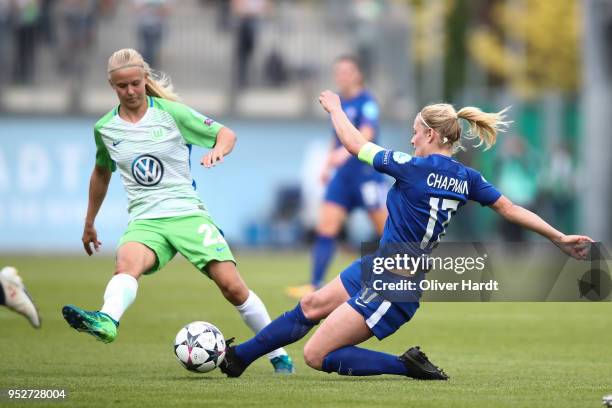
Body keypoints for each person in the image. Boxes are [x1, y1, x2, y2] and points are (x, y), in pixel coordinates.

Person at [219, 90, 593, 379]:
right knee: (312, 305)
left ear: (430, 134)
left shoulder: (412, 168)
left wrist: (335, 108)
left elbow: (353, 145)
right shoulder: (468, 177)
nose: (412, 140)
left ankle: (406, 365)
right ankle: (240, 358)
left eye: (415, 133)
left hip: (395, 282)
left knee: (317, 356)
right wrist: (558, 237)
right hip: (385, 265)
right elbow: (511, 209)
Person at [61, 48, 294, 374]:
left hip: (187, 214)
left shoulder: (172, 114)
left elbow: (227, 134)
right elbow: (101, 172)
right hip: (146, 219)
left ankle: (278, 354)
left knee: (232, 287)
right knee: (126, 264)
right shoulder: (105, 129)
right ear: (111, 86)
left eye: (135, 84)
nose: (130, 92)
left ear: (145, 80)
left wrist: (218, 150)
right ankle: (107, 320)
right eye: (122, 86)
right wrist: (89, 222)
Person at [286, 56, 387, 299]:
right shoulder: (338, 105)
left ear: (357, 74)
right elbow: (336, 135)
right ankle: (314, 283)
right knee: (326, 228)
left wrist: (344, 154)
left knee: (387, 232)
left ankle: (405, 278)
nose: (342, 76)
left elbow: (367, 132)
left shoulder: (367, 102)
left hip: (366, 176)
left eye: (347, 71)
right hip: (342, 178)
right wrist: (326, 166)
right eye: (338, 72)